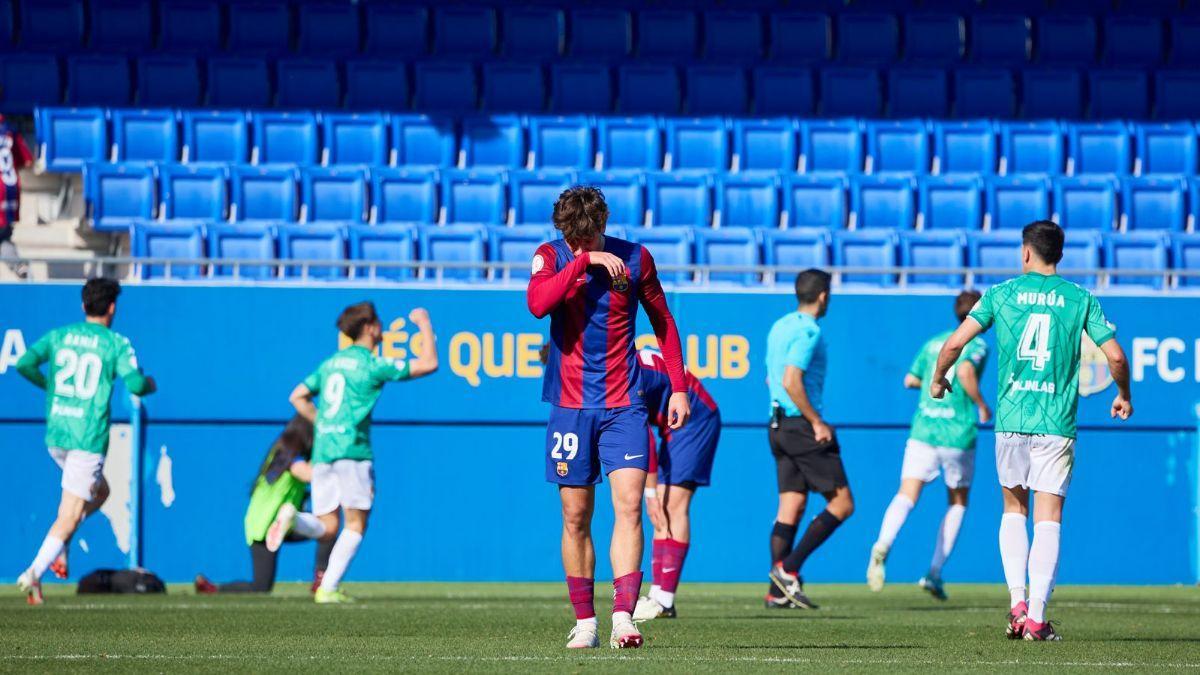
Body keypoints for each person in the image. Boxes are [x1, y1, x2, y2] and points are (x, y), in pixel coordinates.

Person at [930, 220, 1132, 641]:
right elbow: (1115, 356)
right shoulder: (1080, 299)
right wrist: (1123, 394)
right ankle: (1037, 619)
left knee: (1012, 510)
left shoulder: (1000, 294)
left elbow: (953, 344)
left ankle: (1017, 604)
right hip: (1056, 423)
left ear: (1026, 253)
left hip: (1011, 421)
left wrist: (938, 378)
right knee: (1049, 519)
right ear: (1059, 254)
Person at [527, 186, 689, 650]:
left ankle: (623, 618)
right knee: (575, 515)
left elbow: (664, 322)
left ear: (603, 225)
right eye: (572, 238)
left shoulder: (637, 259)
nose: (579, 243)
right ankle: (586, 622)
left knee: (629, 506)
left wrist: (677, 387)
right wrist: (585, 262)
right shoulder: (553, 256)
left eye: (588, 238)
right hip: (570, 406)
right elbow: (538, 304)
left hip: (624, 402)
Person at [13, 278, 157, 605]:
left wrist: (50, 385)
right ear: (112, 307)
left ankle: (60, 545)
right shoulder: (115, 343)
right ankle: (34, 572)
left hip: (58, 434)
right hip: (86, 438)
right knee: (70, 513)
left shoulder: (60, 336)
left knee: (100, 492)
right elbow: (135, 384)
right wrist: (150, 383)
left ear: (83, 306)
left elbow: (24, 364)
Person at [284, 302, 439, 604]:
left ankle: (294, 519)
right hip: (352, 450)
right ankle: (328, 588)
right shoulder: (371, 364)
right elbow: (428, 364)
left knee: (328, 526)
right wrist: (424, 322)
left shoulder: (331, 363)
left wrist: (324, 422)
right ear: (370, 327)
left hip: (325, 449)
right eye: (378, 322)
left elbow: (297, 396)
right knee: (355, 524)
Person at [866, 291, 992, 601]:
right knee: (958, 501)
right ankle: (934, 573)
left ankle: (882, 544)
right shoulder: (976, 343)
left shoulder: (933, 342)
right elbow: (964, 371)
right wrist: (981, 404)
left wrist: (931, 385)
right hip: (957, 433)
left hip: (924, 430)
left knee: (906, 494)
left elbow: (909, 380)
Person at [763, 269, 852, 610]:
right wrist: (816, 421)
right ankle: (789, 569)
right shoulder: (809, 331)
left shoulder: (780, 326)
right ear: (824, 296)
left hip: (776, 425)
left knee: (791, 505)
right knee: (843, 503)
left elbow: (769, 378)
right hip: (801, 424)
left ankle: (776, 593)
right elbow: (790, 379)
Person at [193, 415, 335, 594]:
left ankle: (320, 579)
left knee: (328, 531)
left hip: (280, 522)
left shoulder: (283, 453)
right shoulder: (289, 457)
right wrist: (328, 453)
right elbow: (308, 474)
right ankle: (213, 589)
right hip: (265, 525)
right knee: (261, 587)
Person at [631, 348, 721, 622]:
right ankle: (658, 595)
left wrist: (649, 494)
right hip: (675, 424)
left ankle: (664, 600)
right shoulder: (614, 361)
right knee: (664, 505)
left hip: (695, 418)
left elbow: (641, 437)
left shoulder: (621, 374)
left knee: (671, 505)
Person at [0, 115, 33, 278]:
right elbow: (26, 161)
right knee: (2, 236)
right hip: (9, 191)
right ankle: (19, 265)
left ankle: (18, 265)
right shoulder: (9, 129)